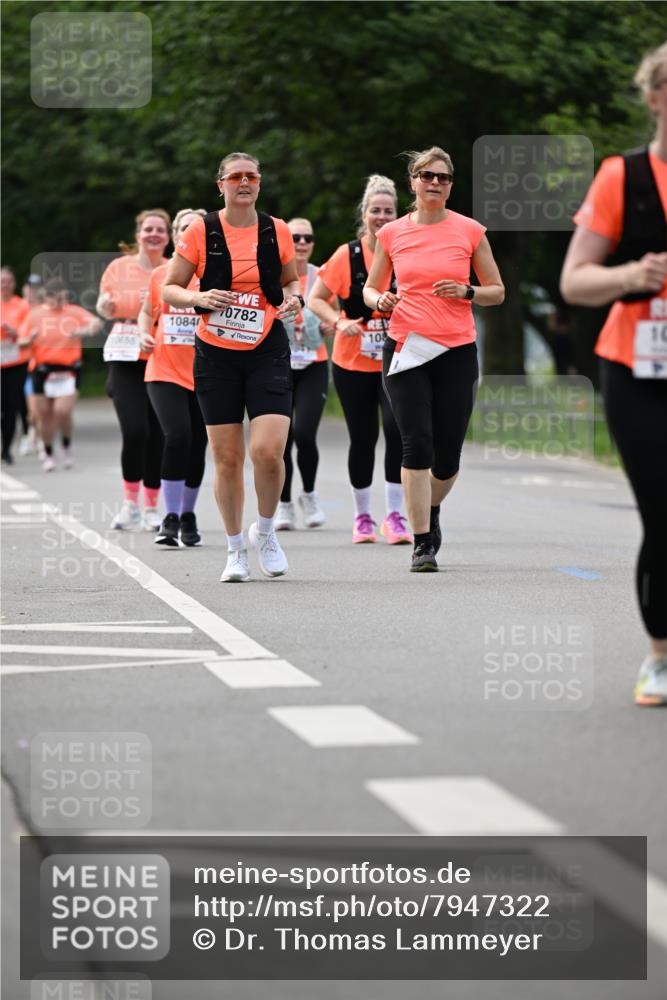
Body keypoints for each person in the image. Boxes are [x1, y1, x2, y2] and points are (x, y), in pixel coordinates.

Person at [560, 42, 667, 707]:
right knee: (662, 517)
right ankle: (658, 656)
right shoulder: (619, 178)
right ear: (655, 96)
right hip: (637, 367)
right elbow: (573, 281)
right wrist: (629, 275)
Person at [162, 152, 302, 582]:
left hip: (266, 347)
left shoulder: (276, 229)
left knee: (267, 451)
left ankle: (266, 530)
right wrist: (198, 299)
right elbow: (170, 288)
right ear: (220, 184)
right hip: (215, 352)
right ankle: (234, 549)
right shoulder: (202, 230)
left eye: (252, 176)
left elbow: (290, 281)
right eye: (236, 177)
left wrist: (295, 298)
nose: (244, 183)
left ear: (260, 183)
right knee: (226, 457)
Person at [364, 147, 504, 571]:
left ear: (450, 186)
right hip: (406, 347)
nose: (435, 183)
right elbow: (370, 289)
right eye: (427, 176)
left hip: (456, 350)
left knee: (447, 456)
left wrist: (467, 292)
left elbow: (497, 290)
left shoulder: (470, 231)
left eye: (443, 178)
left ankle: (430, 508)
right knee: (416, 442)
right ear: (413, 182)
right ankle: (422, 540)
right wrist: (380, 300)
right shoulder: (392, 234)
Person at [308, 176, 412, 546]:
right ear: (364, 214)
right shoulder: (347, 255)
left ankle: (395, 516)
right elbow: (316, 298)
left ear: (399, 215)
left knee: (399, 434)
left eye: (389, 211)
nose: (382, 217)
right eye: (375, 211)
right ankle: (363, 516)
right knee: (364, 437)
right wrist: (339, 321)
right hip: (353, 361)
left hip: (398, 359)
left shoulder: (407, 251)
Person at [139, 207, 209, 547]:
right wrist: (142, 334)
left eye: (197, 227)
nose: (190, 232)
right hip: (163, 369)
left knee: (198, 443)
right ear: (176, 235)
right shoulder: (161, 274)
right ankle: (169, 515)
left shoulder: (214, 275)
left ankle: (188, 514)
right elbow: (145, 313)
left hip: (206, 372)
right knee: (177, 435)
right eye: (184, 227)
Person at [97, 210, 170, 530]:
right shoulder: (119, 267)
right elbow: (104, 302)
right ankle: (130, 503)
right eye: (148, 229)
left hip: (163, 353)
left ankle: (152, 506)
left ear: (168, 237)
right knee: (135, 430)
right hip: (125, 353)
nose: (153, 234)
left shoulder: (174, 268)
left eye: (160, 230)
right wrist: (103, 307)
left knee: (157, 434)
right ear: (138, 234)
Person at [274, 217, 332, 531]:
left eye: (307, 238)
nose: (301, 243)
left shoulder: (323, 275)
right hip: (278, 364)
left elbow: (338, 308)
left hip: (313, 363)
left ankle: (308, 495)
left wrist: (330, 323)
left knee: (305, 433)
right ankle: (283, 504)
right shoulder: (275, 274)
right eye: (295, 237)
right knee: (281, 438)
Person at [19, 278, 102, 470]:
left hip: (68, 370)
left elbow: (96, 323)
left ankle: (66, 446)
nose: (57, 301)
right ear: (45, 297)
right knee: (43, 415)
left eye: (61, 296)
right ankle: (48, 453)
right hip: (42, 370)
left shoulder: (73, 311)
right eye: (53, 297)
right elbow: (21, 341)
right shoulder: (35, 315)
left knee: (61, 412)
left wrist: (83, 330)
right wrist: (29, 340)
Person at [1, 267, 30, 464]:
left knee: (9, 407)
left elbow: (30, 333)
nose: (5, 284)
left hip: (16, 361)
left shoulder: (22, 306)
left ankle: (6, 449)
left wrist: (15, 331)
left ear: (14, 283)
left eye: (8, 280)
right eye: (2, 280)